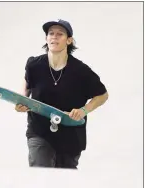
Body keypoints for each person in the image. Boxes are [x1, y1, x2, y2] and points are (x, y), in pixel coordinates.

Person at [15, 19, 109, 169]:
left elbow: (102, 95)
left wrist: (84, 110)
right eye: (51, 34)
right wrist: (22, 100)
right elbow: (27, 83)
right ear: (46, 39)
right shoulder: (34, 65)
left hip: (70, 134)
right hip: (39, 130)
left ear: (69, 40)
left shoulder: (81, 71)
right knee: (40, 172)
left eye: (60, 34)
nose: (54, 37)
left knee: (64, 179)